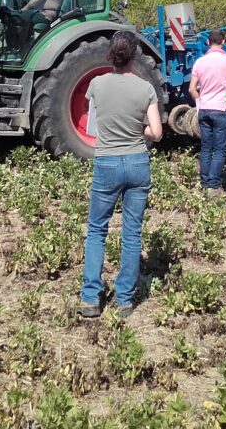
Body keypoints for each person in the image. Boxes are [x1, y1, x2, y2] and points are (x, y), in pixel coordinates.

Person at [79, 31, 163, 319]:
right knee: (132, 233)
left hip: (107, 164)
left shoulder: (96, 84)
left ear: (111, 54)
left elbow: (93, 123)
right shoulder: (145, 88)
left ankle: (91, 298)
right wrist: (136, 128)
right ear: (135, 55)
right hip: (138, 163)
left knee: (97, 230)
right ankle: (124, 299)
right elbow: (157, 133)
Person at [189, 29, 226, 198]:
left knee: (206, 148)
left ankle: (205, 184)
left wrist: (200, 102)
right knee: (219, 150)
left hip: (204, 110)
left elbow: (192, 89)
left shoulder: (199, 62)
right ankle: (213, 186)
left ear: (208, 42)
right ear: (223, 42)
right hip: (220, 110)